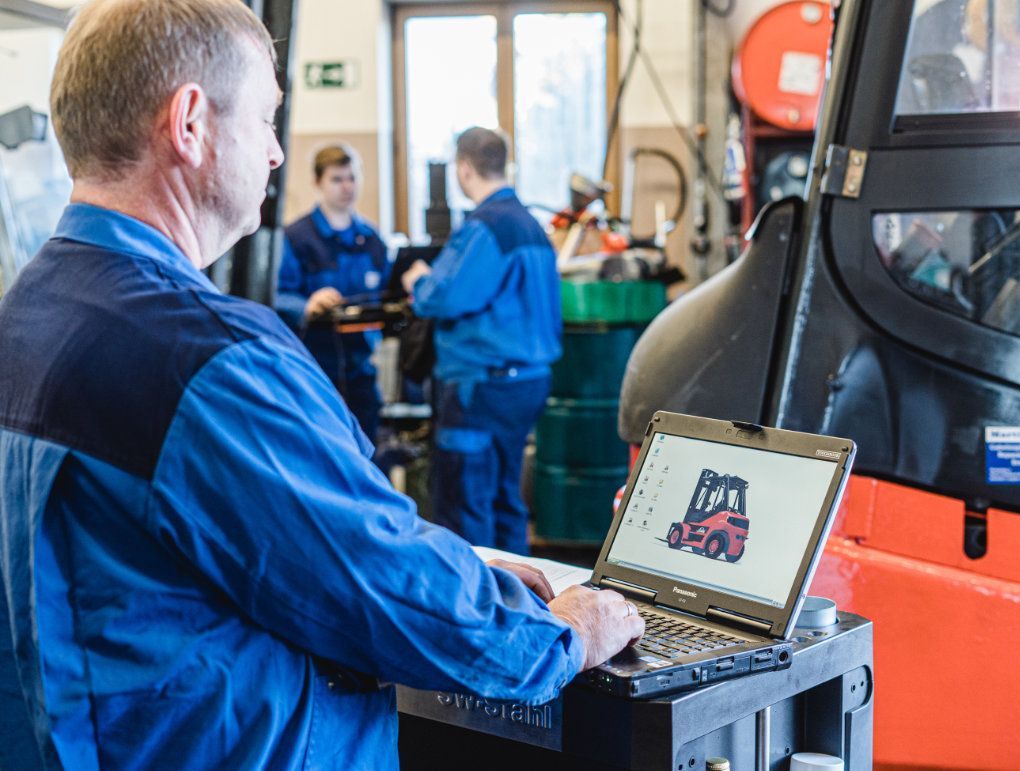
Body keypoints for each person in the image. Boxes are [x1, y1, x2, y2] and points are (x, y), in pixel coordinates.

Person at [0, 2, 643, 769]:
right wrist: (565, 632)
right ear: (191, 122)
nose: (276, 154)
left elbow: (242, 552)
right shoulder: (211, 362)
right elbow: (389, 594)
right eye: (268, 119)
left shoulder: (28, 312)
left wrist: (456, 568)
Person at [402, 127, 561, 555]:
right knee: (506, 500)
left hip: (482, 389)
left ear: (464, 169)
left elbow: (447, 297)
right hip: (527, 384)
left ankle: (478, 614)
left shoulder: (485, 227)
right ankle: (525, 603)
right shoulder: (530, 226)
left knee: (465, 507)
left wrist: (420, 282)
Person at [276, 144, 388, 441]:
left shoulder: (373, 239)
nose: (346, 186)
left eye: (352, 178)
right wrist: (307, 305)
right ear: (318, 183)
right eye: (337, 179)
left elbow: (385, 295)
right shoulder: (297, 238)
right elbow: (276, 296)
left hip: (362, 371)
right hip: (313, 372)